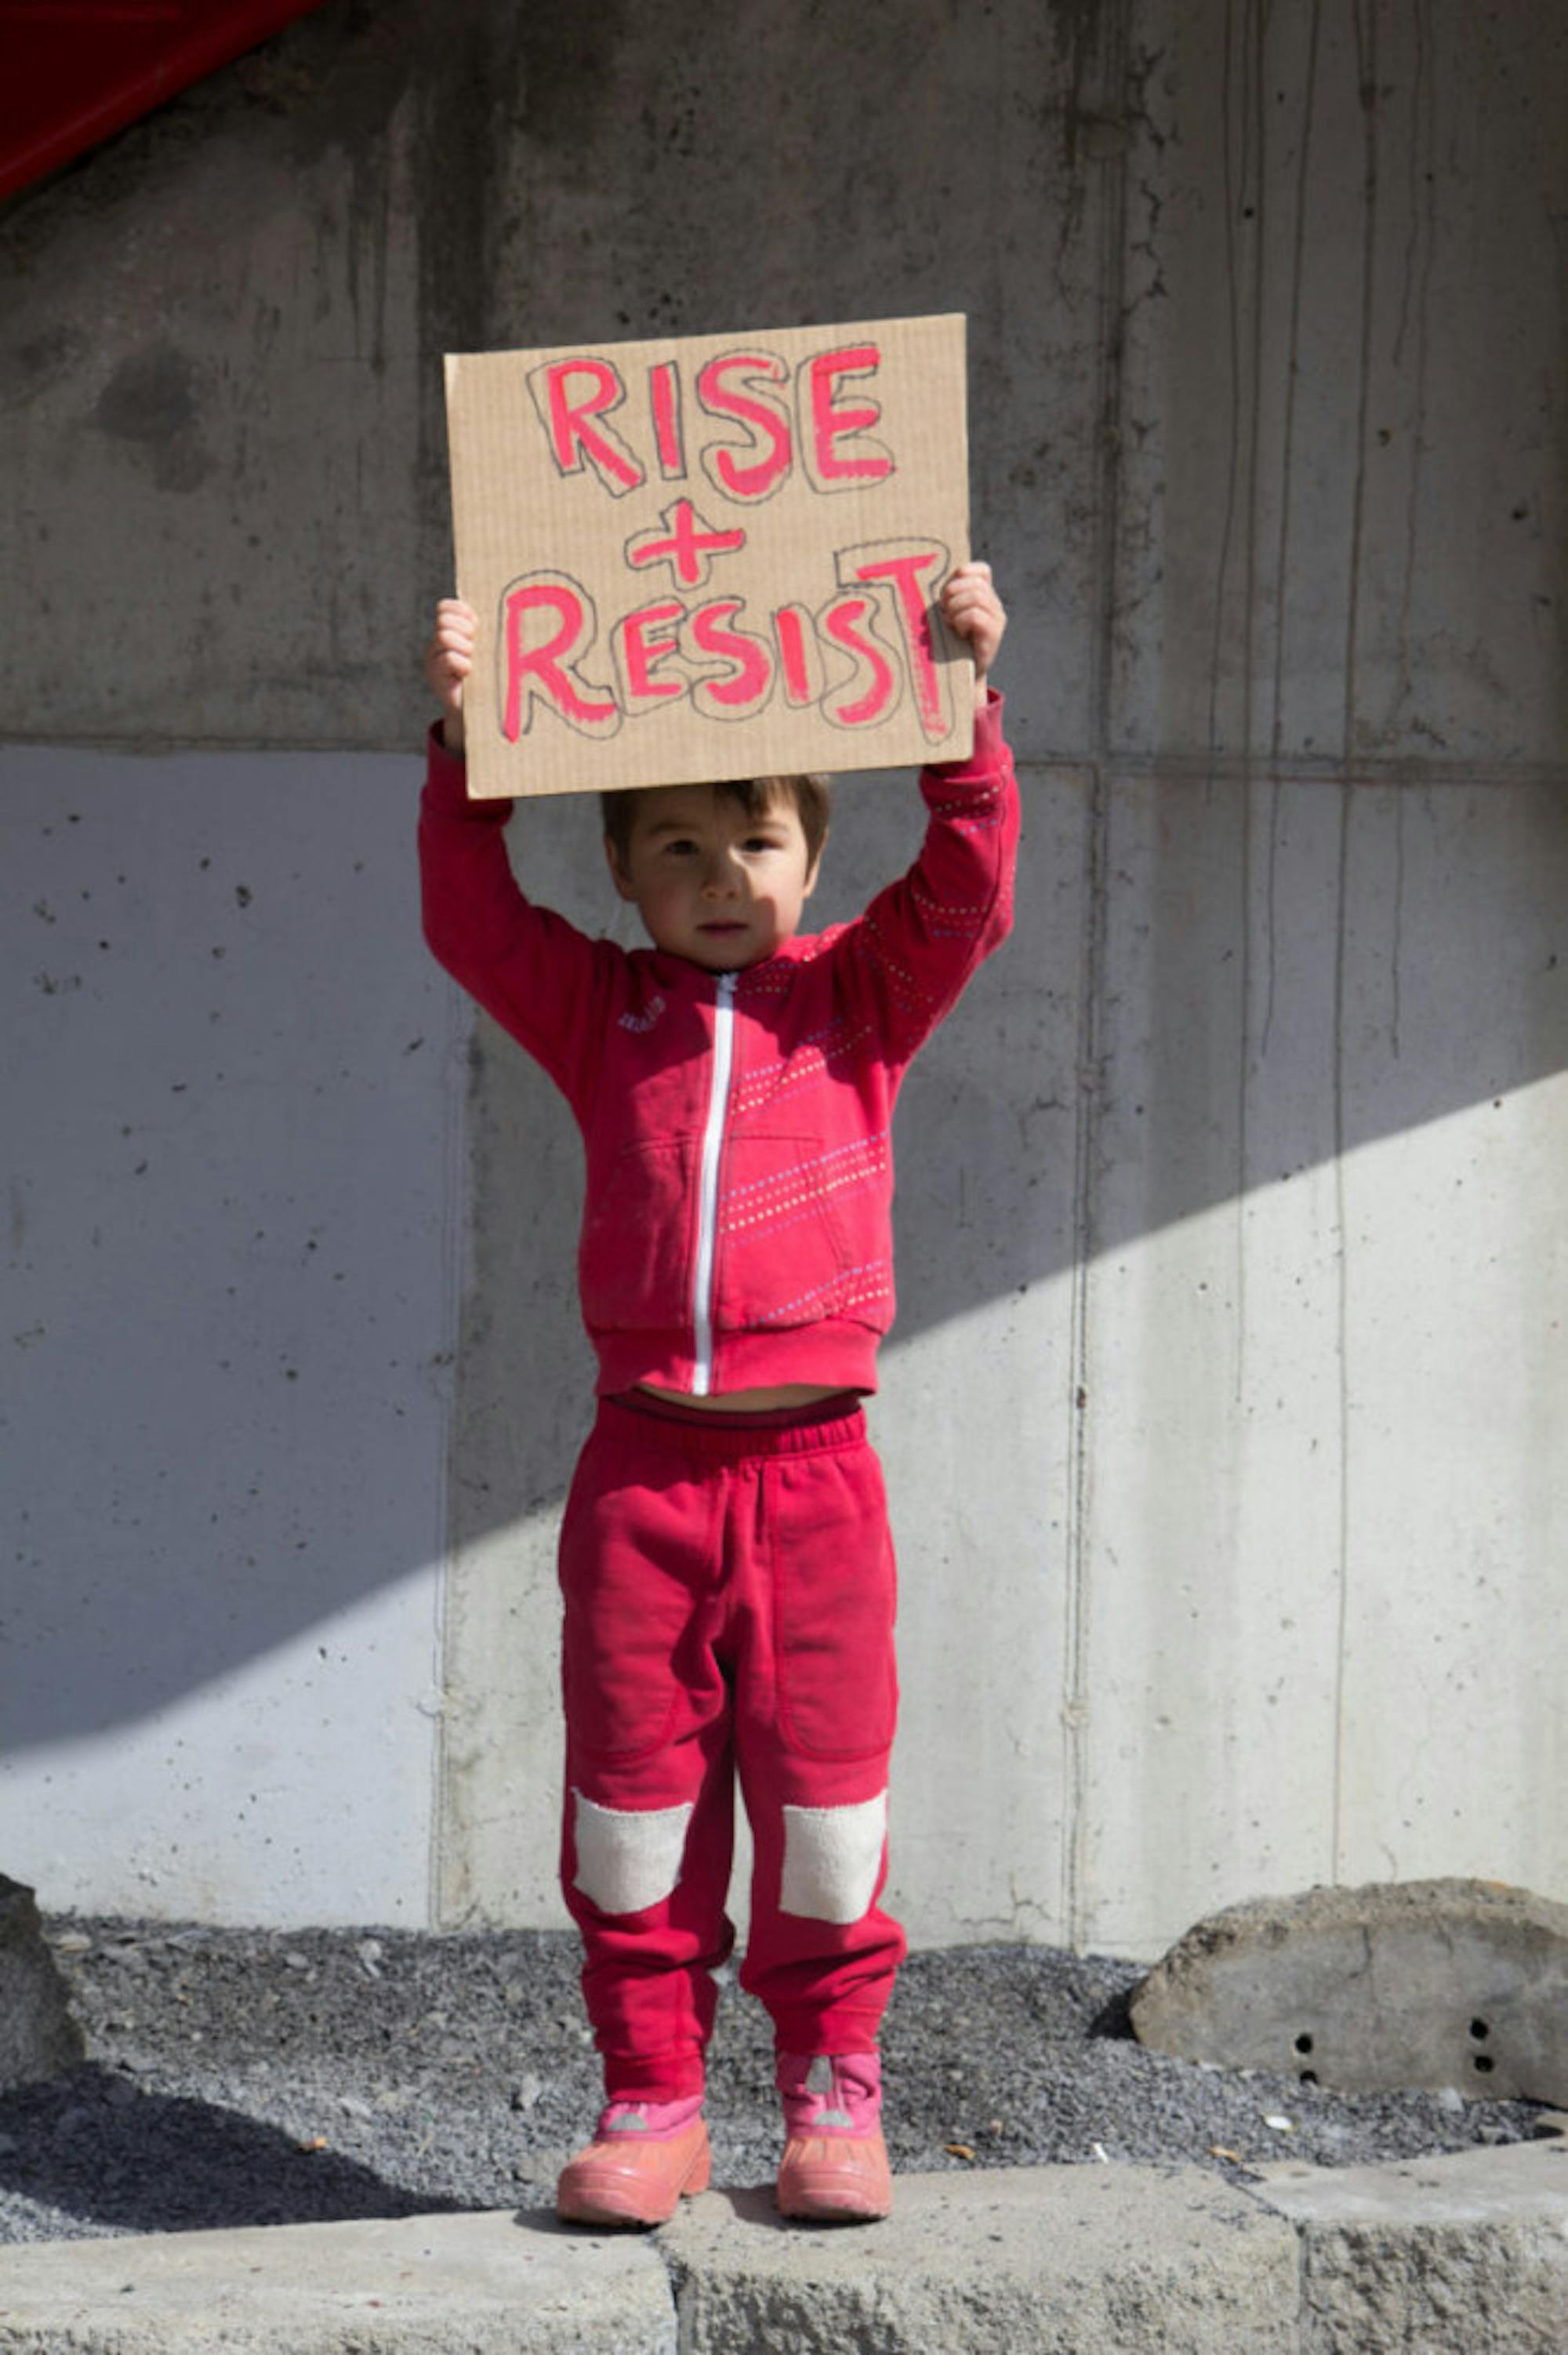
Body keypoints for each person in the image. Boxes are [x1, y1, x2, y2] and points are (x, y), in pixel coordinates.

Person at [419, 565, 1017, 2227]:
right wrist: (467, 738)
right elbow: (469, 916)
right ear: (620, 869)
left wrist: (962, 711)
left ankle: (833, 2088)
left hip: (818, 1485)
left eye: (754, 839)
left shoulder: (860, 1002)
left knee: (826, 1809)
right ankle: (653, 2093)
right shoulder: (601, 1012)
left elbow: (967, 891)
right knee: (634, 1803)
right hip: (643, 1485)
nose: (719, 875)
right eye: (674, 844)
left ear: (811, 860)